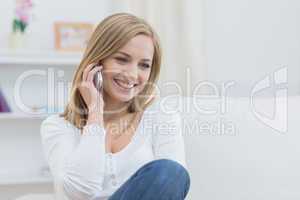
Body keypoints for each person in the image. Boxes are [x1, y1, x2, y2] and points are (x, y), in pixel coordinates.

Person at [40, 13, 190, 200]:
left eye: (144, 65)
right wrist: (95, 113)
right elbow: (79, 192)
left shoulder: (161, 117)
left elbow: (173, 186)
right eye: (122, 59)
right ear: (97, 62)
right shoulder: (57, 126)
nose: (133, 74)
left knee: (170, 171)